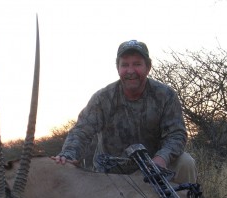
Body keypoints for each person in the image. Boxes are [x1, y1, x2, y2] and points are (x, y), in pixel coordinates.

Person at [52, 40, 197, 184]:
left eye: (137, 64)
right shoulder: (103, 98)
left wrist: (162, 158)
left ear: (148, 67)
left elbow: (176, 134)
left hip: (153, 168)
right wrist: (68, 155)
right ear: (118, 68)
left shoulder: (166, 95)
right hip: (111, 175)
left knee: (186, 162)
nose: (130, 71)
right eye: (125, 65)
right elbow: (82, 131)